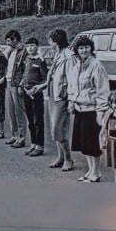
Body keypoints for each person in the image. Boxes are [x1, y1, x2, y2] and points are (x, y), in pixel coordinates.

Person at [67, 35, 109, 183]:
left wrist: (101, 112)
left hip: (92, 111)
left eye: (86, 47)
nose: (84, 50)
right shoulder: (77, 65)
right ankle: (90, 171)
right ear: (77, 50)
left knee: (92, 144)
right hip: (80, 109)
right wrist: (71, 101)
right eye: (81, 48)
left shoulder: (96, 65)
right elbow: (72, 85)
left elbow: (102, 91)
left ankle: (96, 172)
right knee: (84, 143)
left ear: (91, 49)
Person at [45, 28, 74, 171]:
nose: (49, 43)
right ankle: (61, 157)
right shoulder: (58, 54)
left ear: (56, 41)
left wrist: (70, 99)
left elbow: (71, 79)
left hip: (62, 95)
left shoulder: (68, 56)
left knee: (58, 129)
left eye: (50, 40)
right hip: (53, 94)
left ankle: (68, 159)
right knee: (53, 127)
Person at [19, 37, 48, 157]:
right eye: (28, 46)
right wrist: (22, 85)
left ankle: (40, 146)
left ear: (37, 46)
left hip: (36, 94)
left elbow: (45, 79)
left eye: (32, 45)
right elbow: (24, 74)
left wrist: (36, 88)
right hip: (26, 92)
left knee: (38, 121)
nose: (30, 48)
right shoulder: (27, 59)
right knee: (30, 120)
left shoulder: (40, 60)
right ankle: (33, 143)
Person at [4, 30, 28, 148]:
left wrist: (21, 85)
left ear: (15, 39)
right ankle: (14, 134)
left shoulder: (23, 50)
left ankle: (21, 136)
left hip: (16, 83)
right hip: (8, 81)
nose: (7, 43)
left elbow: (25, 70)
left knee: (19, 111)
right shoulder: (10, 51)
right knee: (11, 111)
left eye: (9, 41)